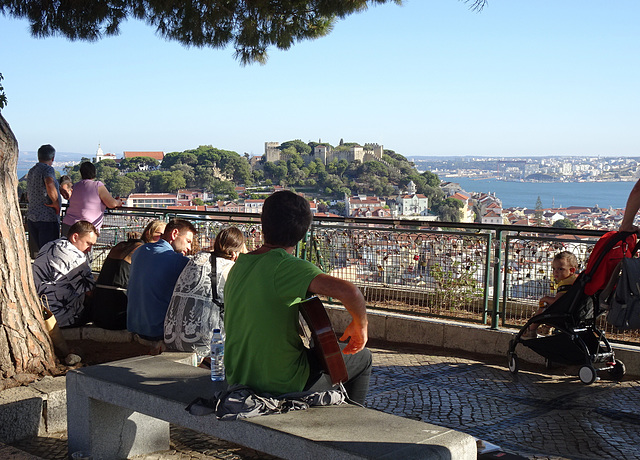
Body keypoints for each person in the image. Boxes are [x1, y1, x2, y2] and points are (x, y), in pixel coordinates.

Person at [224, 190, 372, 405]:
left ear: (263, 223)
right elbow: (350, 292)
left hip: (238, 376)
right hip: (279, 383)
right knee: (363, 357)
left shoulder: (240, 265)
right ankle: (350, 421)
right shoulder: (286, 266)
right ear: (303, 232)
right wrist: (361, 326)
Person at [164, 227, 246, 356]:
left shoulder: (197, 259)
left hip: (170, 337)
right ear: (235, 253)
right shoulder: (229, 268)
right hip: (202, 344)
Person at [127, 218, 197, 341]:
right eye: (188, 241)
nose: (189, 247)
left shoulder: (140, 251)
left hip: (134, 325)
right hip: (158, 330)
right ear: (175, 234)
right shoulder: (177, 261)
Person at [91, 220, 167, 330]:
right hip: (118, 316)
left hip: (98, 312)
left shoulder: (123, 245)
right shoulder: (143, 250)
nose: (163, 239)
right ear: (148, 234)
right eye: (160, 235)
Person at [32, 220, 98, 328]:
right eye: (88, 243)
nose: (89, 249)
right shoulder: (75, 257)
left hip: (40, 310)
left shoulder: (50, 245)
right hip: (61, 318)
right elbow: (90, 291)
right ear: (75, 237)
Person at [524, 251, 578, 338]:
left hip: (563, 313)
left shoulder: (566, 284)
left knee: (543, 306)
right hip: (572, 310)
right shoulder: (574, 280)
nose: (555, 272)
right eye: (554, 269)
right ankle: (546, 328)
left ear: (572, 270)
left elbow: (557, 302)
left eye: (560, 269)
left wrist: (545, 299)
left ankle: (531, 329)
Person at [61, 161, 122, 236]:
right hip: (85, 227)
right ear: (94, 172)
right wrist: (118, 201)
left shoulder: (75, 186)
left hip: (68, 223)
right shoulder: (97, 185)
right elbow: (112, 204)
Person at [26, 144, 61, 258]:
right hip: (47, 218)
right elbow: (49, 182)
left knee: (41, 253)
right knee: (50, 253)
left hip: (33, 216)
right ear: (52, 158)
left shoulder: (32, 171)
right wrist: (56, 202)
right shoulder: (47, 169)